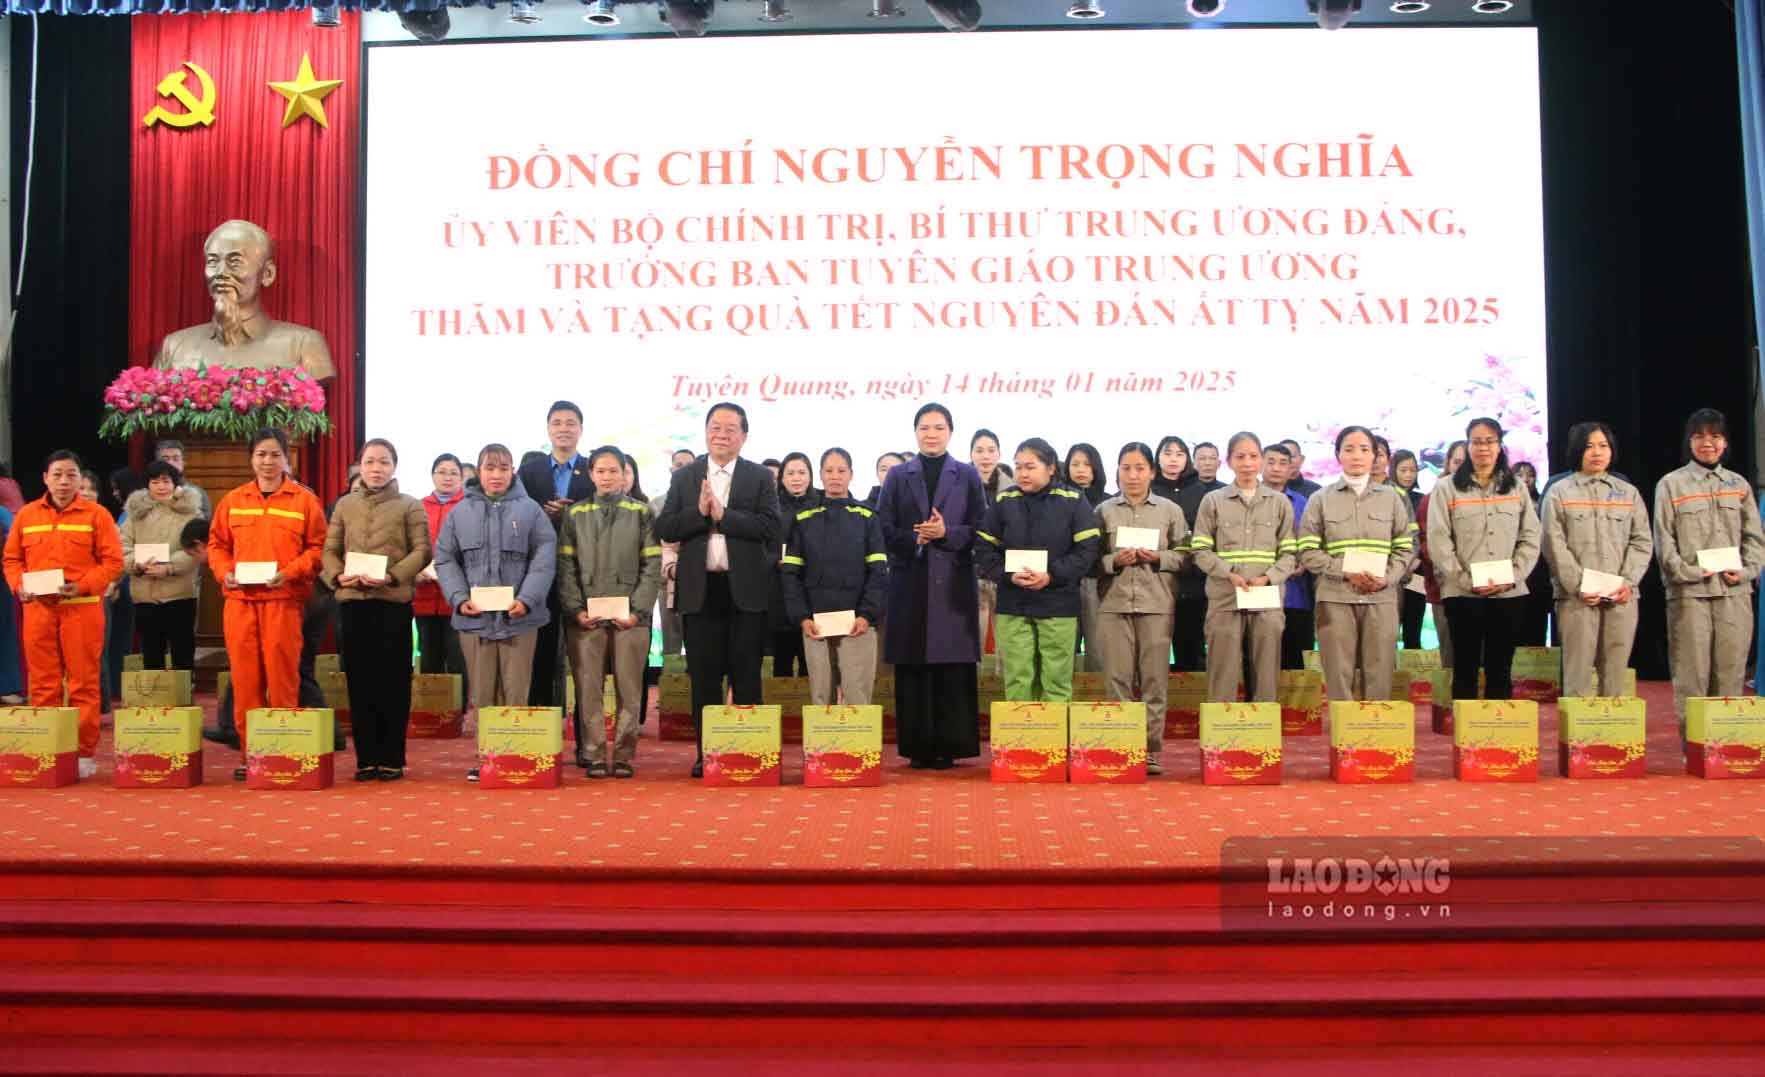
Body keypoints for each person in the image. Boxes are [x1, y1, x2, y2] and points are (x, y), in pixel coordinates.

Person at [654, 402, 784, 778]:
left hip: (745, 591)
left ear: (744, 436)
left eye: (730, 429)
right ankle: (708, 753)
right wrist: (698, 513)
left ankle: (749, 751)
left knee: (746, 676)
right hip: (701, 591)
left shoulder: (759, 477)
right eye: (715, 427)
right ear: (706, 432)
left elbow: (771, 527)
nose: (722, 435)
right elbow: (666, 527)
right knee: (705, 679)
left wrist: (724, 516)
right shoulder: (686, 476)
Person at [207, 429, 328, 779]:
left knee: (282, 678)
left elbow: (317, 550)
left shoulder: (304, 501)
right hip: (240, 602)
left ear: (287, 459)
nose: (268, 461)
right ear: (251, 459)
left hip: (284, 601)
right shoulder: (233, 500)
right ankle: (252, 755)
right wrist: (223, 572)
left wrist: (289, 573)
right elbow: (216, 545)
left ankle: (283, 749)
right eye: (261, 454)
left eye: (275, 455)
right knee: (245, 681)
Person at [434, 443, 556, 782]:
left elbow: (544, 557)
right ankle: (486, 757)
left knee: (517, 690)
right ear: (479, 471)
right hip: (474, 620)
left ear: (512, 471)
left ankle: (515, 754)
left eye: (503, 468)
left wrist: (528, 599)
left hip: (521, 619)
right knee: (483, 692)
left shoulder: (531, 511)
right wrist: (459, 598)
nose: (496, 475)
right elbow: (445, 559)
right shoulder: (460, 513)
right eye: (490, 468)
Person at [878, 403, 987, 769]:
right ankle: (918, 746)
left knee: (951, 665)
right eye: (924, 427)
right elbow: (883, 526)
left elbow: (981, 529)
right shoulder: (897, 476)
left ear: (950, 432)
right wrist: (916, 541)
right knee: (914, 664)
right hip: (910, 579)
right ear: (915, 432)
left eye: (939, 427)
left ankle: (950, 745)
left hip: (953, 582)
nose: (931, 434)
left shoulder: (968, 475)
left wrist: (947, 533)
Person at [2, 450, 123, 778]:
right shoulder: (27, 516)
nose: (64, 481)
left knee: (83, 683)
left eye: (71, 475)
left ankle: (83, 752)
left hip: (81, 610)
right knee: (43, 682)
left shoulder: (97, 515)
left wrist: (83, 586)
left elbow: (113, 563)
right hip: (38, 610)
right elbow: (12, 559)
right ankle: (48, 746)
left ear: (80, 479)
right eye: (57, 474)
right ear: (45, 478)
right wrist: (18, 586)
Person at [322, 439, 429, 782]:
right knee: (360, 682)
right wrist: (337, 575)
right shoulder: (344, 505)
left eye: (384, 462)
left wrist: (392, 576)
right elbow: (330, 548)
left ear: (394, 467)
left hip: (392, 603)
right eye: (370, 462)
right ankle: (366, 759)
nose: (376, 468)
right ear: (360, 466)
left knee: (394, 682)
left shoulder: (409, 506)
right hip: (354, 603)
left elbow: (422, 551)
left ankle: (392, 758)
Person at [1653, 408, 1765, 731]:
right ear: (1689, 442)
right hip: (1690, 594)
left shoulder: (1739, 485)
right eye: (1700, 436)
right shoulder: (1670, 485)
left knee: (1731, 670)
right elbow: (1665, 542)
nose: (1708, 443)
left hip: (1734, 592)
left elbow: (1755, 540)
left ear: (1725, 442)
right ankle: (1695, 747)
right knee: (1692, 672)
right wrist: (1688, 572)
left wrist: (1745, 572)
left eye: (1715, 436)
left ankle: (1725, 743)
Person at [559, 445, 662, 778]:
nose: (607, 477)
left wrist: (637, 611)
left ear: (625, 474)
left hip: (631, 620)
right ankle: (591, 753)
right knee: (588, 688)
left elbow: (652, 566)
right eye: (600, 471)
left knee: (629, 689)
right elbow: (566, 566)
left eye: (613, 470)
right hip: (585, 620)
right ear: (591, 475)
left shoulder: (642, 513)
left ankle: (622, 754)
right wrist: (575, 610)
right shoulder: (575, 514)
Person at [1426, 417, 1541, 707]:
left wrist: (1512, 576)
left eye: (1490, 441)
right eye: (1477, 441)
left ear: (1500, 446)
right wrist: (1465, 580)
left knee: (1500, 668)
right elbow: (1439, 542)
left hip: (1509, 592)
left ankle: (1498, 740)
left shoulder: (1516, 487)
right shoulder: (1447, 489)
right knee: (1464, 667)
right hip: (1463, 593)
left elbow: (1530, 537)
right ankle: (1468, 742)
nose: (1483, 448)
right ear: (1467, 445)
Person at [976, 439, 1101, 704]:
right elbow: (984, 550)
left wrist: (1052, 575)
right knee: (1017, 678)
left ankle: (1052, 744)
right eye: (1018, 467)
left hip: (1058, 604)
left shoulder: (1074, 501)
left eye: (1030, 467)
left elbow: (1087, 551)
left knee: (1056, 681)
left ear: (1051, 468)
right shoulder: (1003, 501)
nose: (1022, 473)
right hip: (1012, 604)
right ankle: (1020, 743)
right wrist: (1007, 575)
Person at [1297, 427, 1414, 703]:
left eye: (1364, 449)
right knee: (1338, 672)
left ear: (1375, 455)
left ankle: (1375, 738)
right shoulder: (1320, 499)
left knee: (1380, 671)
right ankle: (1344, 739)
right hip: (1335, 598)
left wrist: (1388, 578)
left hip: (1381, 597)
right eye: (1349, 449)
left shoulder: (1392, 498)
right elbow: (1308, 550)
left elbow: (1404, 547)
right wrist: (1345, 572)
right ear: (1338, 455)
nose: (1357, 456)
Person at [1094, 442, 1188, 774]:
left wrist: (1160, 557)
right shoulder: (1102, 511)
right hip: (1113, 603)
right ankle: (1123, 745)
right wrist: (1112, 561)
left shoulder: (1170, 510)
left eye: (1139, 468)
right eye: (1125, 468)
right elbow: (1090, 560)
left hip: (1156, 604)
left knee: (1154, 681)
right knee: (1117, 678)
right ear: (1117, 471)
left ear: (1151, 471)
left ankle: (1149, 750)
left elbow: (1186, 555)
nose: (1132, 476)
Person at [1540, 422, 1652, 700]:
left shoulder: (1628, 492)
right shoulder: (1559, 491)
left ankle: (1610, 736)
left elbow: (1642, 541)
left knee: (1615, 670)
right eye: (1589, 446)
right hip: (1577, 597)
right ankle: (1579, 740)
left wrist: (1627, 582)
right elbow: (1553, 543)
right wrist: (1577, 584)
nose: (1597, 452)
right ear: (1577, 450)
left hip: (1622, 596)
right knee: (1577, 671)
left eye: (1603, 446)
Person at [153, 219, 336, 380]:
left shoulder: (302, 345)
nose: (220, 273)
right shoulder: (175, 346)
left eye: (235, 262)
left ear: (267, 274)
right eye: (213, 261)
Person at [1191, 432, 1297, 704]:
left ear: (1261, 460)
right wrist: (1228, 573)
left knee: (1266, 669)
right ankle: (1221, 736)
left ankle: (1261, 734)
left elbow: (1290, 554)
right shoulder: (1213, 501)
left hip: (1267, 599)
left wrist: (1268, 578)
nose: (1247, 462)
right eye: (1240, 456)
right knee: (1222, 669)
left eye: (1253, 456)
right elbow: (1200, 550)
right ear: (1228, 461)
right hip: (1225, 595)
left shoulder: (1279, 503)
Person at [782, 448, 888, 707]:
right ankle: (823, 749)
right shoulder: (803, 519)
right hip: (816, 624)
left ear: (851, 475)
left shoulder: (867, 517)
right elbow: (791, 574)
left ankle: (859, 749)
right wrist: (802, 617)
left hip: (858, 624)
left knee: (858, 699)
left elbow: (878, 572)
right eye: (829, 471)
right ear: (820, 475)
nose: (835, 476)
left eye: (841, 471)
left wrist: (867, 615)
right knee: (821, 700)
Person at [518, 401, 593, 713]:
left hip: (583, 570)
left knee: (584, 655)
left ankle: (584, 741)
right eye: (558, 423)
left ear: (581, 429)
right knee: (542, 651)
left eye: (570, 423)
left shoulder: (592, 468)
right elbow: (519, 516)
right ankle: (542, 729)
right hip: (540, 571)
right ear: (548, 428)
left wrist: (571, 513)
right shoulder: (529, 470)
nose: (564, 428)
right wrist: (542, 513)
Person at [119, 460, 203, 671]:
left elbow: (196, 548)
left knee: (182, 649)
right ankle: (155, 700)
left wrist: (169, 567)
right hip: (145, 592)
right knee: (151, 650)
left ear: (175, 484)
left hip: (180, 592)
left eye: (166, 481)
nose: (161, 486)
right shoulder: (135, 515)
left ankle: (184, 698)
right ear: (147, 485)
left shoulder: (191, 513)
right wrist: (136, 564)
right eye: (155, 482)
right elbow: (122, 547)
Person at [1163, 437, 1220, 674]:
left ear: (1187, 460)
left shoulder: (1202, 493)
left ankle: (1191, 707)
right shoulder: (1149, 490)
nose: (1173, 459)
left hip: (1195, 582)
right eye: (1168, 453)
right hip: (1159, 579)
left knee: (1193, 647)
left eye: (1179, 453)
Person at [414, 454, 468, 685]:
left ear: (462, 477)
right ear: (432, 475)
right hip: (424, 596)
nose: (447, 477)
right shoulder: (417, 507)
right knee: (429, 660)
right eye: (442, 472)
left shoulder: (469, 507)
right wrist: (414, 572)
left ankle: (461, 718)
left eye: (453, 473)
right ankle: (431, 718)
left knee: (458, 662)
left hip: (457, 600)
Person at [768, 452, 820, 678]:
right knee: (782, 661)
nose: (796, 478)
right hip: (780, 592)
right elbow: (763, 547)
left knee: (814, 664)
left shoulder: (821, 504)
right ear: (781, 478)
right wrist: (774, 561)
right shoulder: (771, 507)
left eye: (802, 472)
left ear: (810, 476)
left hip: (815, 593)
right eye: (790, 473)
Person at [1263, 443, 1314, 670]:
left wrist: (1303, 563)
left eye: (1283, 463)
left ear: (1291, 468)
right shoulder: (1248, 500)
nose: (1276, 468)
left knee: (1294, 661)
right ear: (1261, 464)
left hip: (1295, 594)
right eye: (1271, 462)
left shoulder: (1303, 503)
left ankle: (1292, 708)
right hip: (1257, 591)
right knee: (1260, 658)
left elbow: (1311, 541)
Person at [1416, 438, 1467, 665]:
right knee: (1452, 655)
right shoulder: (1431, 498)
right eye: (1457, 461)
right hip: (1445, 588)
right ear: (1447, 463)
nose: (1462, 467)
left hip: (1487, 587)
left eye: (1468, 462)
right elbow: (1426, 544)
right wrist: (1455, 569)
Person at [1063, 442, 1108, 670]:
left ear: (1096, 468)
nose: (1081, 469)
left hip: (1097, 580)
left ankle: (1099, 700)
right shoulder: (1057, 500)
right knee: (1063, 647)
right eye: (1075, 464)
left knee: (1098, 647)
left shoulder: (1108, 502)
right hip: (1064, 581)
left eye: (1087, 464)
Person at [102, 467, 142, 711]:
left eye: (116, 488)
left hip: (125, 582)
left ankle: (116, 686)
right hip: (122, 581)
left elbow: (119, 552)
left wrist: (114, 581)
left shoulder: (130, 514)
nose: (114, 493)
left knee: (120, 639)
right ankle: (116, 685)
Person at [970, 429, 1008, 650]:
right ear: (971, 454)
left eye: (991, 450)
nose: (986, 456)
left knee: (1006, 638)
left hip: (1003, 570)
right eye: (980, 450)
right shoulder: (959, 485)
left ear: (999, 454)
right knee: (972, 636)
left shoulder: (1013, 487)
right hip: (971, 569)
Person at [1511, 461, 1553, 646]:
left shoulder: (1543, 503)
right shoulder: (1508, 502)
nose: (1526, 479)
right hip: (1514, 570)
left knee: (1537, 620)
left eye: (1530, 475)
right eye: (1520, 475)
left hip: (1540, 571)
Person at [1391, 449, 1428, 649]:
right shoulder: (1387, 496)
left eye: (1413, 470)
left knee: (1413, 628)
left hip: (1417, 572)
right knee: (1389, 629)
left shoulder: (1422, 499)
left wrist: (1416, 559)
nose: (1408, 475)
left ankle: (1415, 679)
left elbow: (1426, 534)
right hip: (1391, 572)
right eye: (1403, 470)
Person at [153, 441, 212, 517]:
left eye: (176, 459)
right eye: (165, 459)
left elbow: (204, 524)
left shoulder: (198, 493)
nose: (171, 463)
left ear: (183, 463)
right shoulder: (148, 493)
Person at [0, 501, 20, 702]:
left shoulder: (2, 512)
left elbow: (15, 540)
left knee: (4, 631)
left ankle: (8, 687)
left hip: (1, 577)